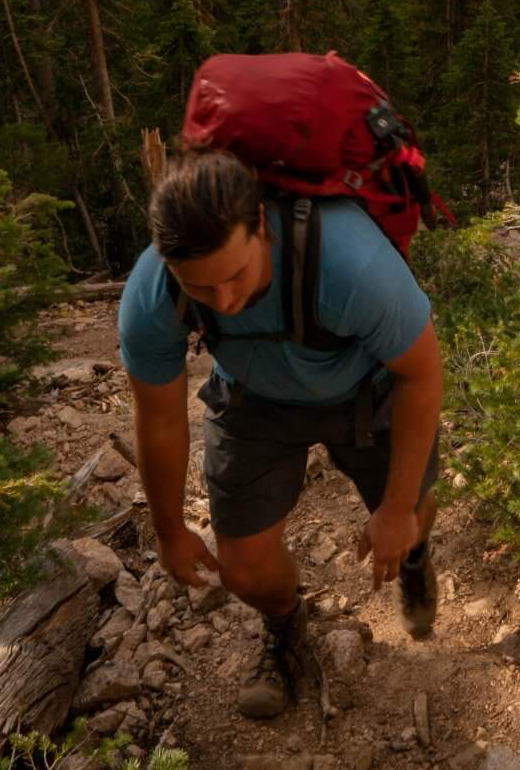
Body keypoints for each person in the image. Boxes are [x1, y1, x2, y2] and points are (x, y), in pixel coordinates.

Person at [119, 149, 444, 720]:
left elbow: (420, 372)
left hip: (369, 390)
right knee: (242, 570)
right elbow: (160, 416)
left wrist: (396, 510)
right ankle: (285, 625)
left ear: (263, 225)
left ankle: (415, 558)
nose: (223, 300)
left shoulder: (350, 264)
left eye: (235, 275)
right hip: (252, 400)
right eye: (199, 287)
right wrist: (168, 527)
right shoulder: (153, 296)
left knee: (414, 511)